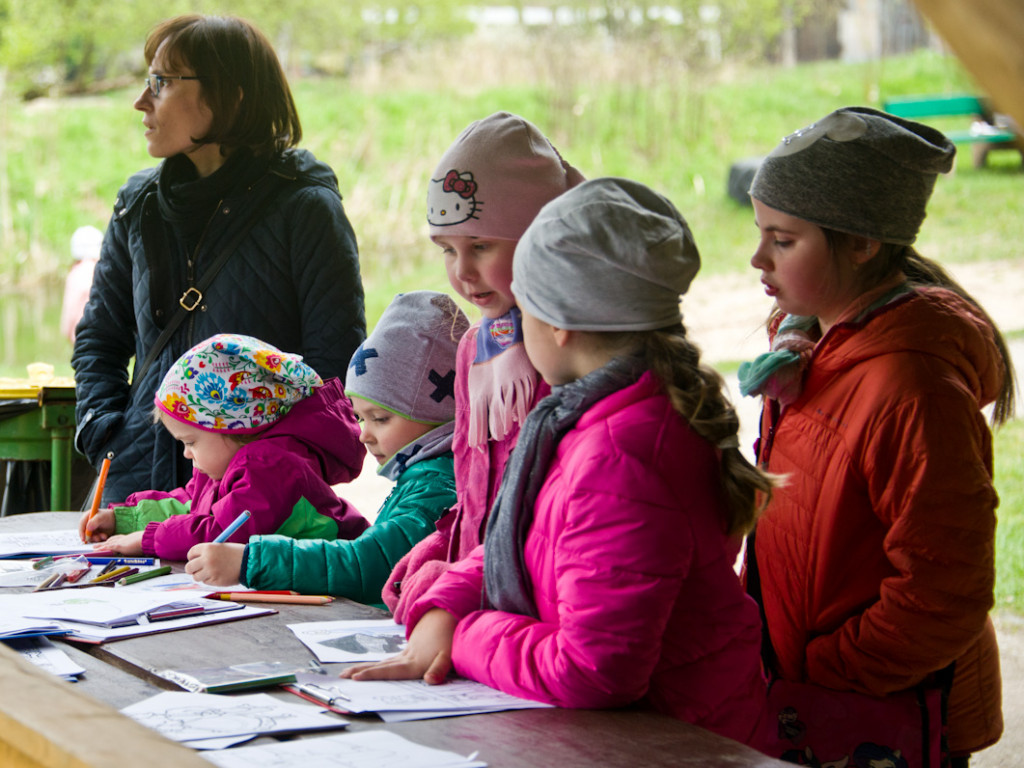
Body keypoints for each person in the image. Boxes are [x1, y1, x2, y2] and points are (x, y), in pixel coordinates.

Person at [343, 177, 775, 746]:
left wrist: (468, 636)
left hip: (675, 743)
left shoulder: (624, 455)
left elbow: (595, 668)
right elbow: (525, 539)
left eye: (525, 307)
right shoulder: (592, 420)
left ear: (559, 322)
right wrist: (445, 604)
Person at [737, 107, 1016, 763]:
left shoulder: (908, 390)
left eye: (783, 240)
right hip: (823, 706)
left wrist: (826, 666)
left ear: (862, 244)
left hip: (890, 717)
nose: (756, 258)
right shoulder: (817, 354)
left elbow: (944, 588)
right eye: (761, 234)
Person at [71, 14, 365, 507]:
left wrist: (267, 468)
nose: (141, 102)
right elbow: (99, 339)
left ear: (231, 96)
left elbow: (332, 371)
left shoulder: (305, 207)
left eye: (161, 82)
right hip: (134, 489)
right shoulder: (138, 203)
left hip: (254, 504)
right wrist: (104, 430)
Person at [382, 111, 584, 621]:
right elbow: (477, 488)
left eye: (481, 246)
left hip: (547, 609)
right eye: (447, 250)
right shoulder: (476, 346)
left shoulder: (573, 350)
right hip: (484, 597)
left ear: (540, 237)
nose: (462, 272)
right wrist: (441, 550)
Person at [184, 291, 470, 607]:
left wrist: (251, 562)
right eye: (361, 417)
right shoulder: (427, 477)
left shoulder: (438, 491)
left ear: (438, 414)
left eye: (380, 418)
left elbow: (370, 564)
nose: (365, 435)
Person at [79, 333, 369, 561]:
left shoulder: (271, 467)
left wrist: (148, 541)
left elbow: (221, 533)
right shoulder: (226, 466)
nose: (186, 454)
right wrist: (123, 519)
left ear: (236, 428)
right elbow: (188, 505)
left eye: (190, 442)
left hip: (340, 589)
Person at [60, 225, 104, 343]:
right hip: (104, 336)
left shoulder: (76, 274)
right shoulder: (104, 271)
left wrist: (67, 331)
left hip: (81, 336)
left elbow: (70, 309)